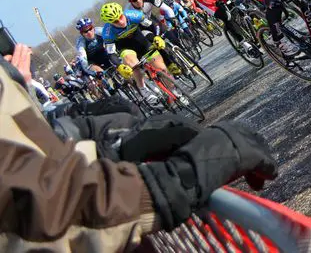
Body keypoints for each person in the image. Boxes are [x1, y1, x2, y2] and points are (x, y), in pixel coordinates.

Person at [1, 42, 278, 250]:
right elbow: (33, 210)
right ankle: (144, 88)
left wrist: (106, 147)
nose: (87, 33)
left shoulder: (122, 22)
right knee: (124, 72)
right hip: (88, 213)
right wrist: (174, 180)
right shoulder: (88, 45)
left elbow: (28, 155)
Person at [99, 1, 173, 104]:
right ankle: (143, 90)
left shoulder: (133, 15)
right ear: (110, 23)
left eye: (120, 17)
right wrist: (120, 66)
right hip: (126, 48)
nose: (120, 22)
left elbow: (153, 25)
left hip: (141, 42)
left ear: (122, 13)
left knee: (162, 69)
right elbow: (111, 54)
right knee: (134, 65)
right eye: (115, 21)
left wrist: (157, 36)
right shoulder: (107, 33)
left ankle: (174, 92)